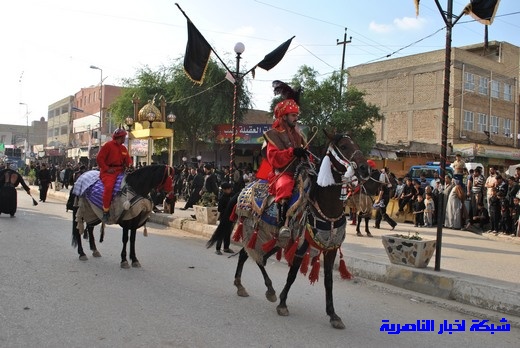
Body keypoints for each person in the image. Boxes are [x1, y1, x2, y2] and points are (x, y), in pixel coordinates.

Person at [263, 81, 307, 238]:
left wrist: (305, 154)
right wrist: (292, 152)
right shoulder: (273, 134)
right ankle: (283, 225)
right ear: (284, 116)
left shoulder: (298, 135)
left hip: (300, 172)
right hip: (283, 174)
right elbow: (273, 158)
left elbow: (303, 153)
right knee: (286, 186)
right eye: (293, 115)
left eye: (297, 115)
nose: (296, 118)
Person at [96, 128, 132, 222]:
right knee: (108, 188)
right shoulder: (108, 145)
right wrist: (107, 169)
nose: (125, 138)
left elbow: (128, 161)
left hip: (120, 171)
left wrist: (130, 166)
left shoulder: (123, 148)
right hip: (108, 172)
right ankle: (105, 211)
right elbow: (99, 159)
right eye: (124, 136)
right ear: (120, 137)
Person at [206, 182, 236, 255]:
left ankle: (226, 247)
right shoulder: (223, 198)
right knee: (221, 233)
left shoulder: (233, 195)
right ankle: (218, 248)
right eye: (228, 189)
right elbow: (219, 209)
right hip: (224, 217)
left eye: (230, 189)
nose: (229, 190)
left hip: (231, 217)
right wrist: (227, 210)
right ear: (224, 190)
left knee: (228, 233)